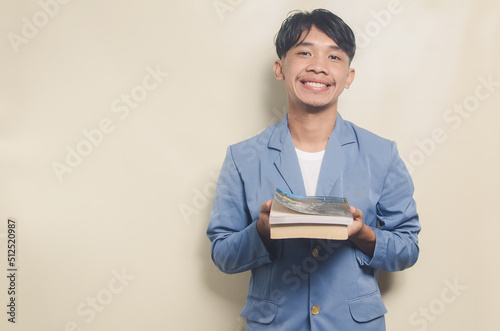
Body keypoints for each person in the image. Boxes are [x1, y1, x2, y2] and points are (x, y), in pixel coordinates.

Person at [207, 8, 420, 330]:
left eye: (334, 57)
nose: (318, 66)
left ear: (348, 77)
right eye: (304, 52)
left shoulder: (382, 154)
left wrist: (363, 234)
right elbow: (223, 255)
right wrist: (262, 230)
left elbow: (408, 247)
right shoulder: (243, 157)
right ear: (280, 68)